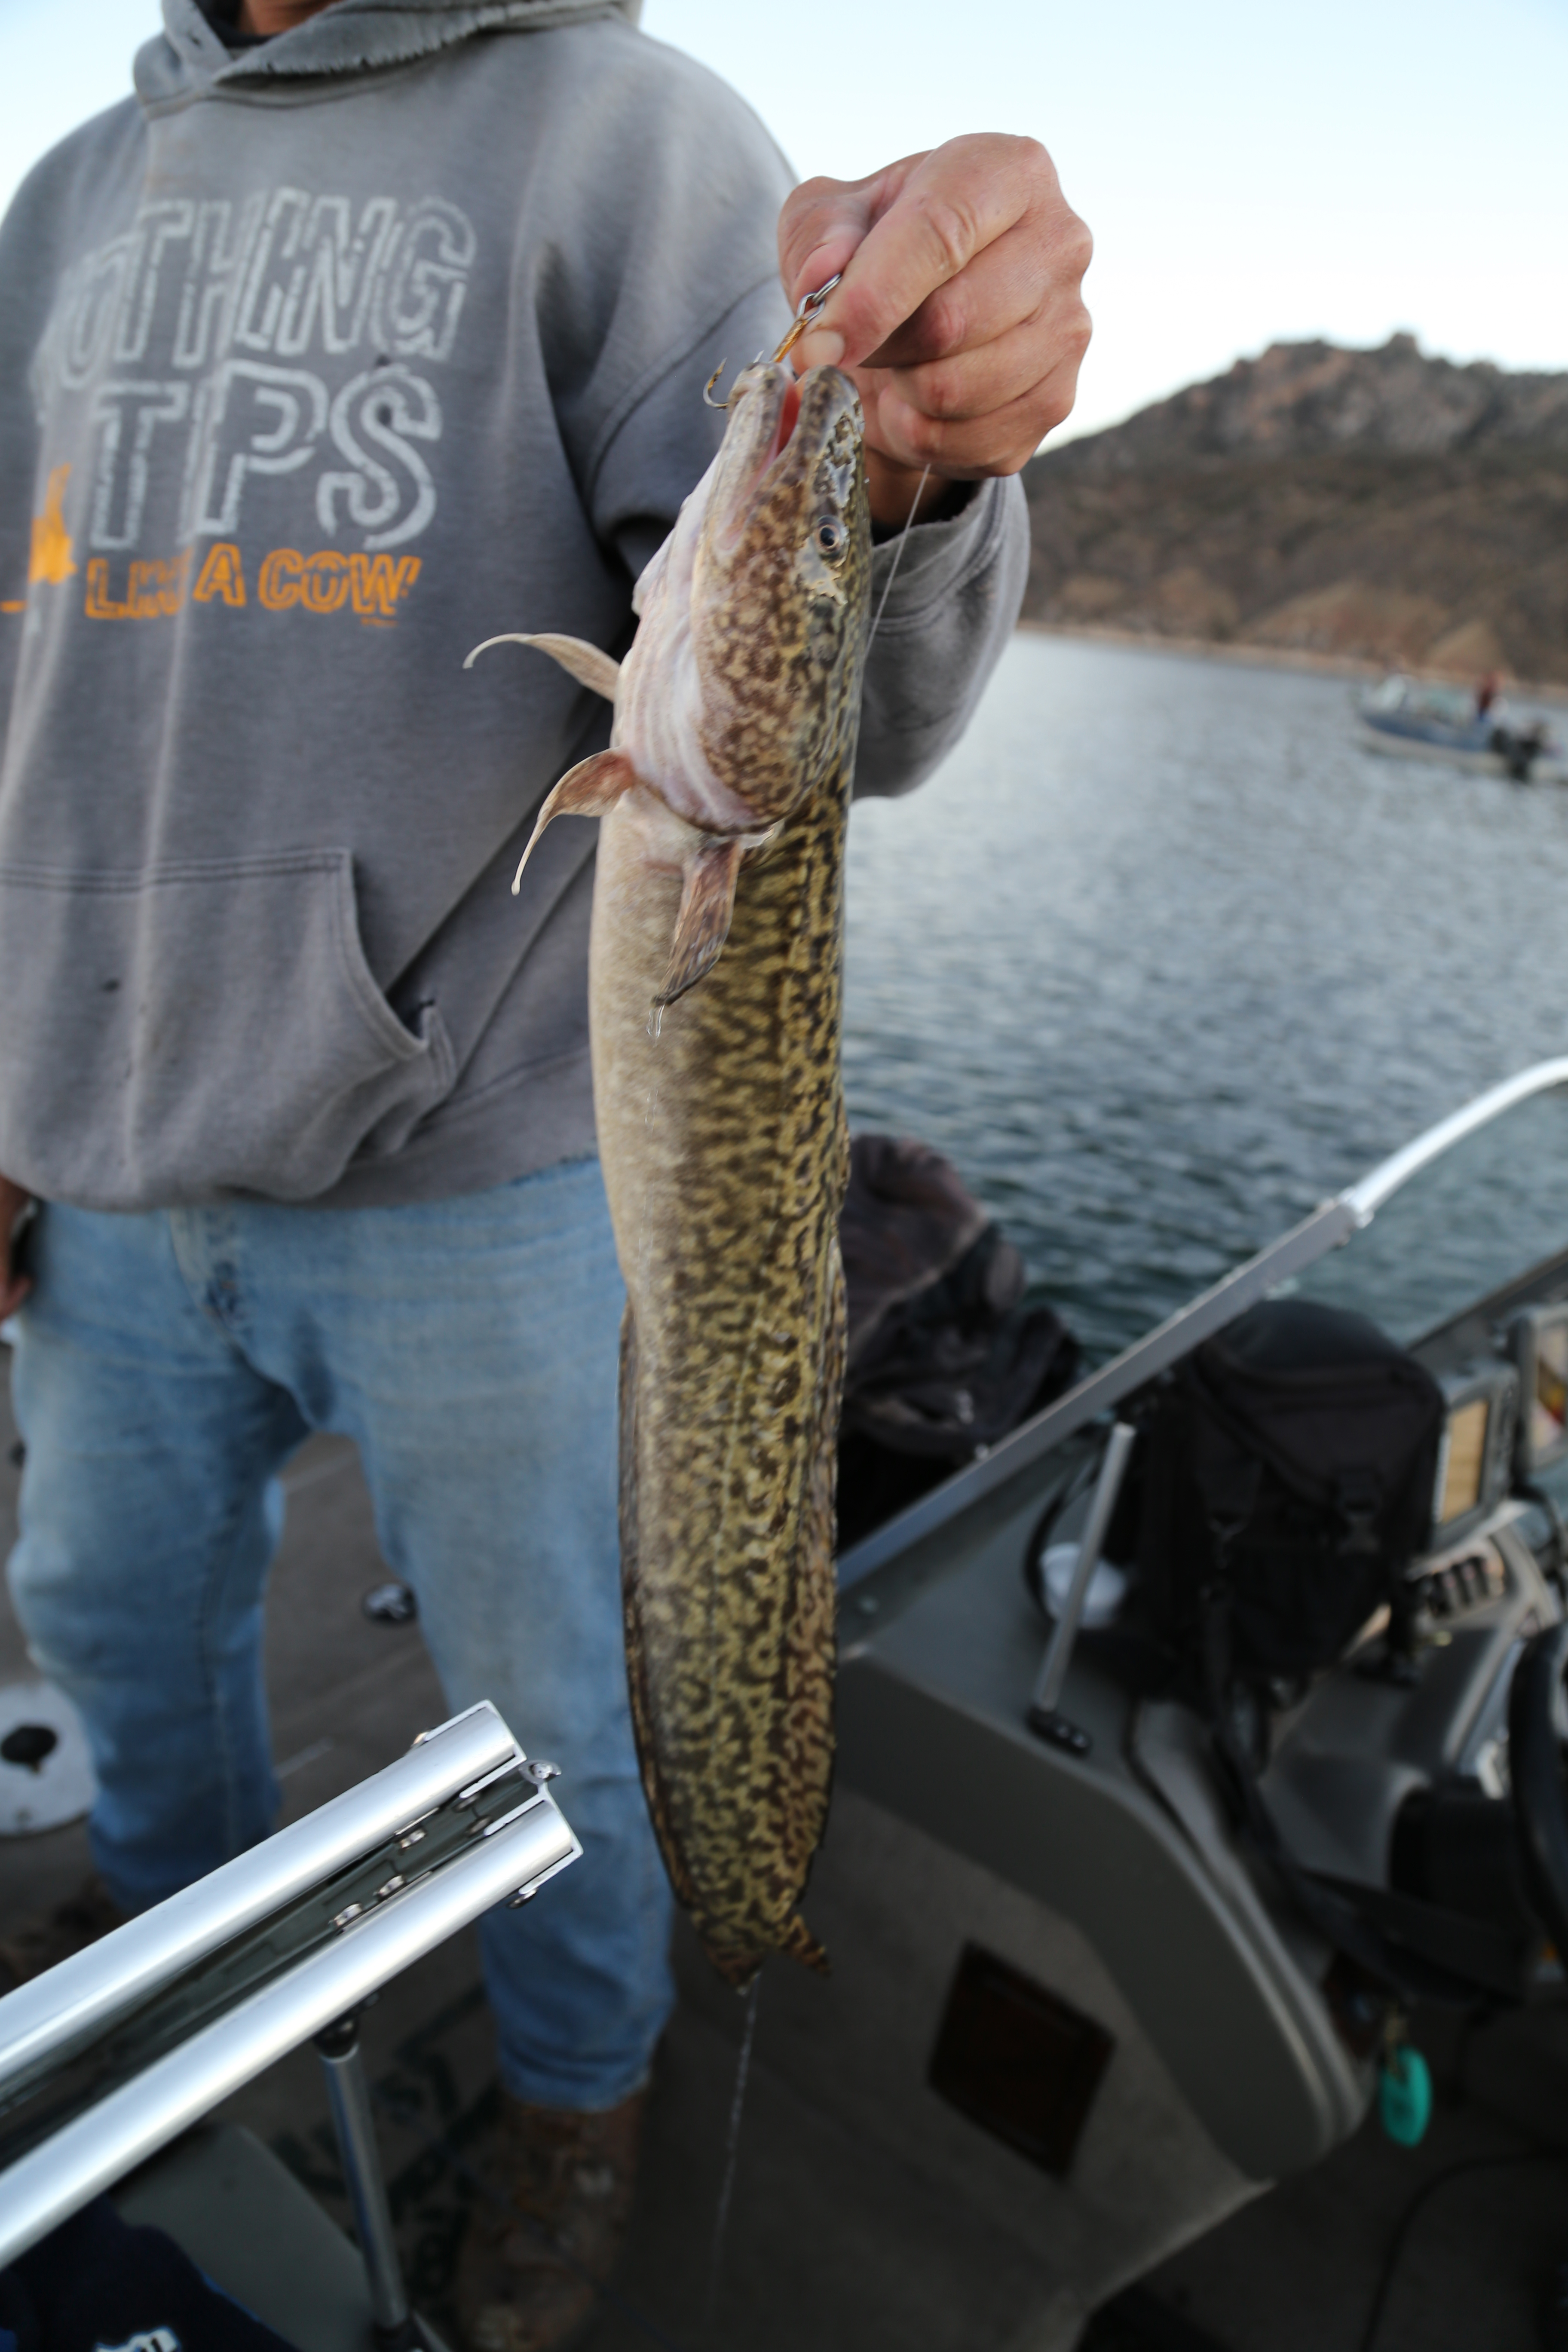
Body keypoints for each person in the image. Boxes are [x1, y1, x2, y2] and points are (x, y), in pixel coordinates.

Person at [0, 1, 1091, 2343]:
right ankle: (189, 1991)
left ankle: (583, 2090)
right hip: (98, 1176)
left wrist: (899, 465)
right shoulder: (73, 197)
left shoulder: (637, 136)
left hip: (483, 1185)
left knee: (554, 1719)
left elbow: (856, 716)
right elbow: (35, 676)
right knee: (104, 1633)